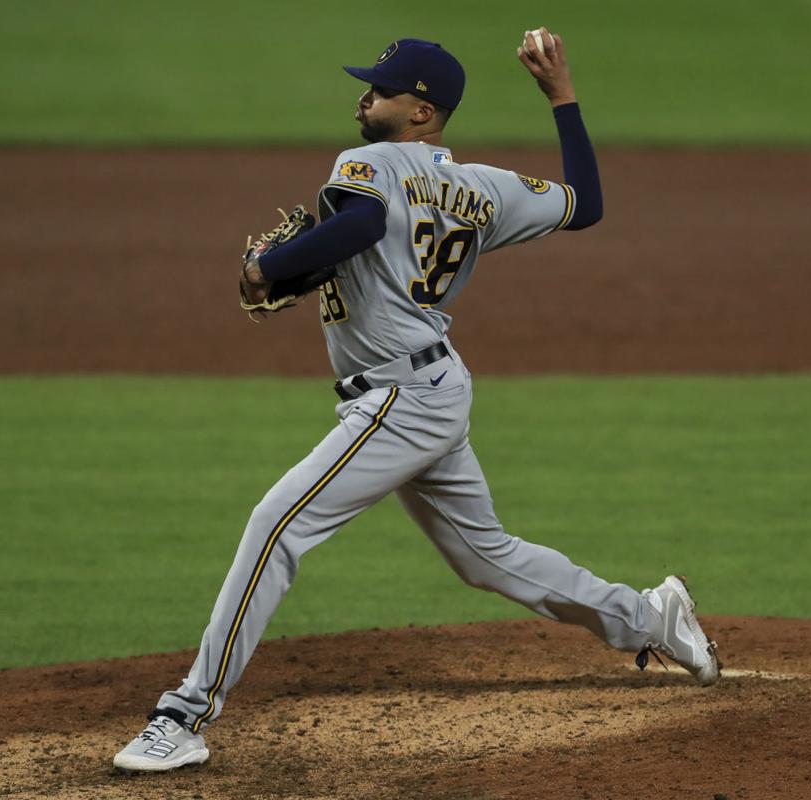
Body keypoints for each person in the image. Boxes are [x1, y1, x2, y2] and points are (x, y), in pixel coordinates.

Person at [113, 30, 719, 773]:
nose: (365, 95)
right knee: (484, 556)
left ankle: (185, 712)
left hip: (400, 399)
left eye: (382, 88)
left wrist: (266, 267)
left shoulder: (370, 162)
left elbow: (363, 223)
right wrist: (561, 97)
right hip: (435, 388)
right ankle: (650, 615)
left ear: (423, 113)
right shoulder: (485, 187)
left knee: (276, 525)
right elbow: (585, 205)